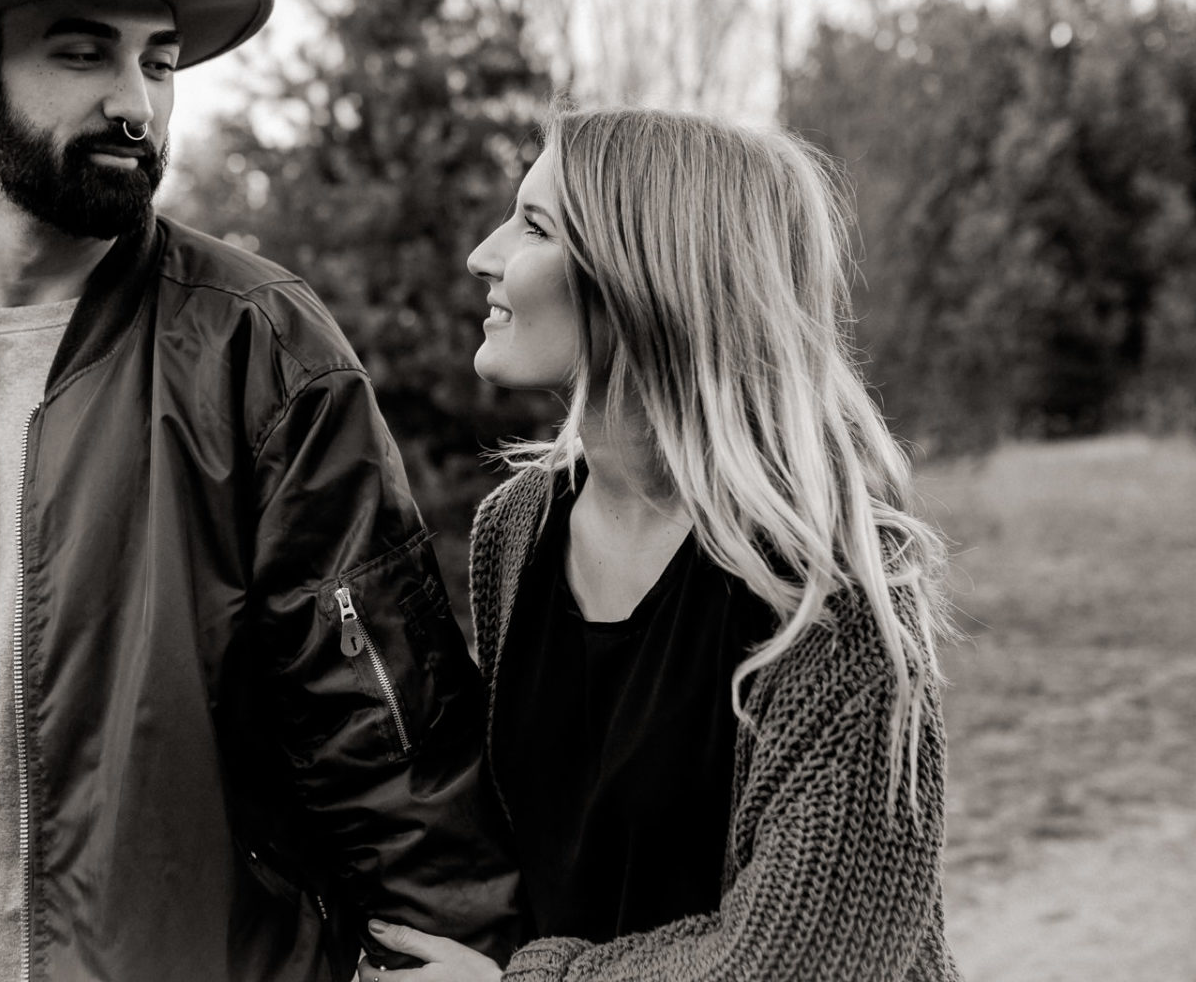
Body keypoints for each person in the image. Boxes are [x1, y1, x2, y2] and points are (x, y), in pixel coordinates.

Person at [0, 0, 519, 982]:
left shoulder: (260, 350)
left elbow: (392, 744)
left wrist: (465, 953)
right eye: (83, 53)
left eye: (158, 61)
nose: (136, 103)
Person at [358, 108, 958, 981]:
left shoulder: (832, 586)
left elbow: (804, 959)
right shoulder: (516, 529)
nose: (483, 255)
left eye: (533, 226)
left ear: (645, 279)